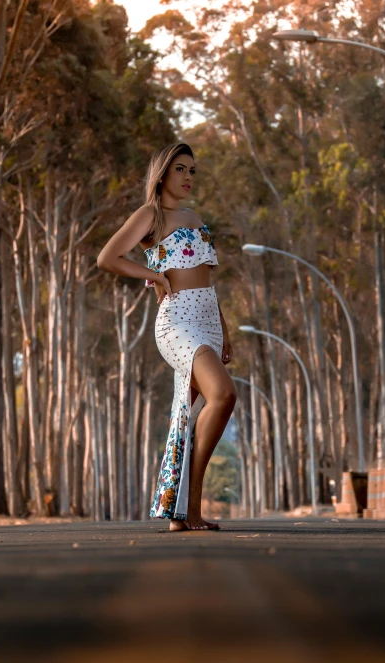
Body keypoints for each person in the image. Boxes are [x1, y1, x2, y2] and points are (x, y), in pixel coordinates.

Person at [97, 142, 237, 531]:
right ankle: (189, 507)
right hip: (177, 321)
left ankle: (182, 514)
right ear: (162, 174)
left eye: (193, 171)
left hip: (207, 316)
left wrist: (223, 330)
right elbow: (108, 257)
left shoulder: (195, 215)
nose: (188, 177)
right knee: (223, 395)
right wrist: (155, 276)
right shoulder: (150, 215)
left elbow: (208, 279)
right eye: (180, 169)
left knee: (188, 415)